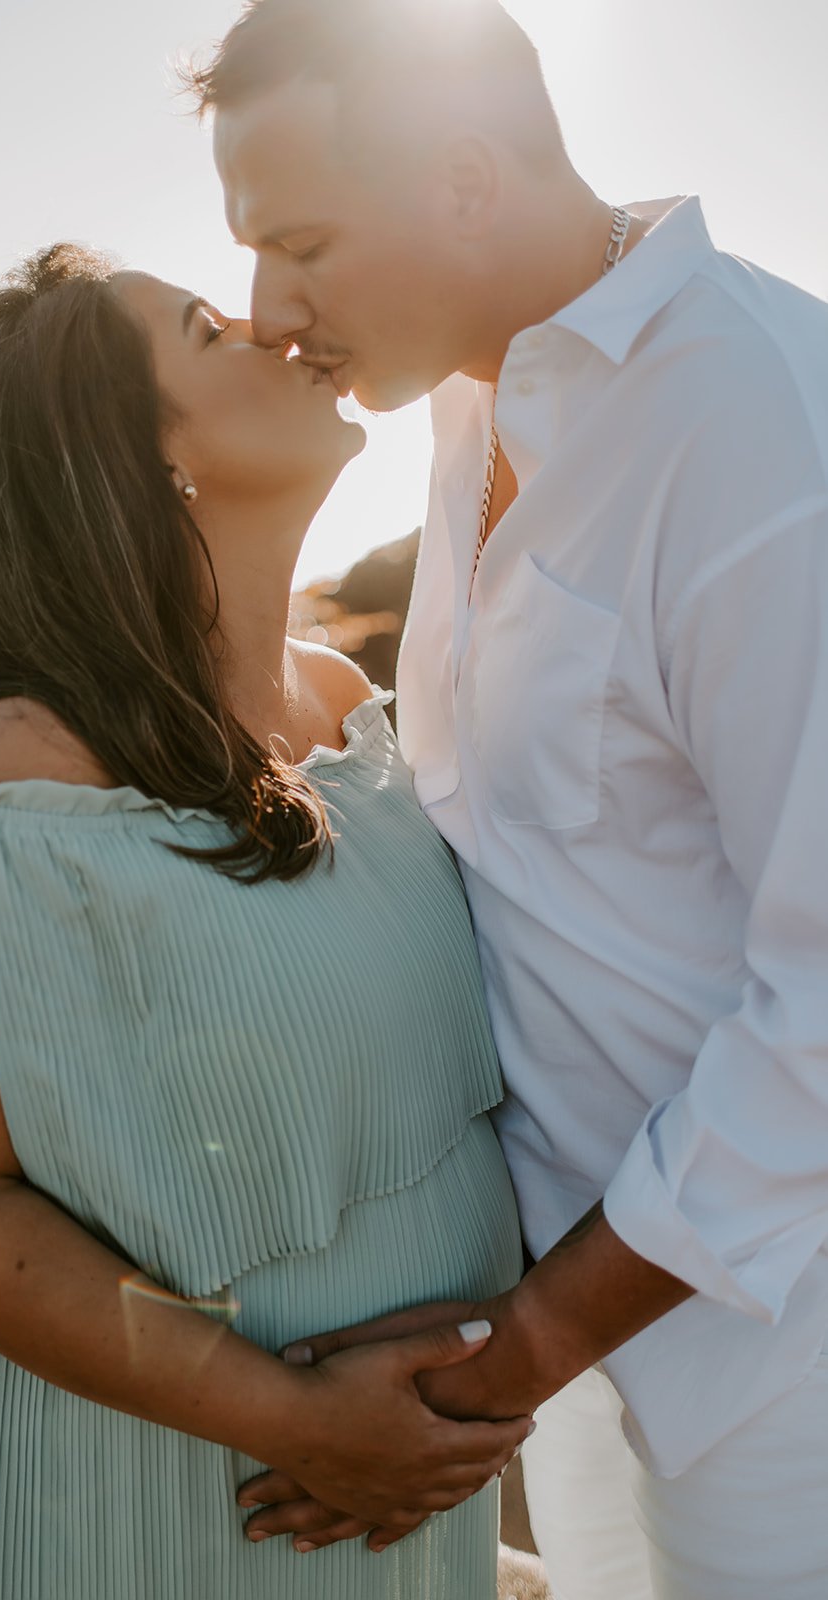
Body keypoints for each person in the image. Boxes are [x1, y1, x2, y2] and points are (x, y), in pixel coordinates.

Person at [191, 1, 828, 1596]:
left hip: (778, 1360)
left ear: (466, 178)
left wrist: (525, 1344)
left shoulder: (764, 440)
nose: (269, 311)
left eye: (306, 244)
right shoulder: (476, 394)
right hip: (575, 1330)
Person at [0, 241, 532, 1599]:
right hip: (137, 1506)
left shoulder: (352, 712)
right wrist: (297, 1418)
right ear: (139, 464)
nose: (275, 325)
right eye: (211, 330)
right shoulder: (33, 778)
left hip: (387, 1499)